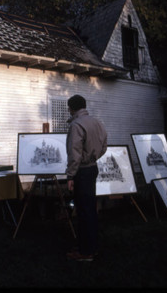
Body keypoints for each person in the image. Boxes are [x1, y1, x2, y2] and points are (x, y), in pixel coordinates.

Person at [65, 95, 107, 261]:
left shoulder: (76, 124)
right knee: (90, 209)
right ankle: (90, 246)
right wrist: (93, 157)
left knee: (83, 211)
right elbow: (104, 146)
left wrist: (70, 175)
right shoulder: (97, 122)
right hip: (92, 168)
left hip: (81, 171)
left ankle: (85, 252)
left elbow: (74, 153)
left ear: (71, 108)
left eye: (69, 108)